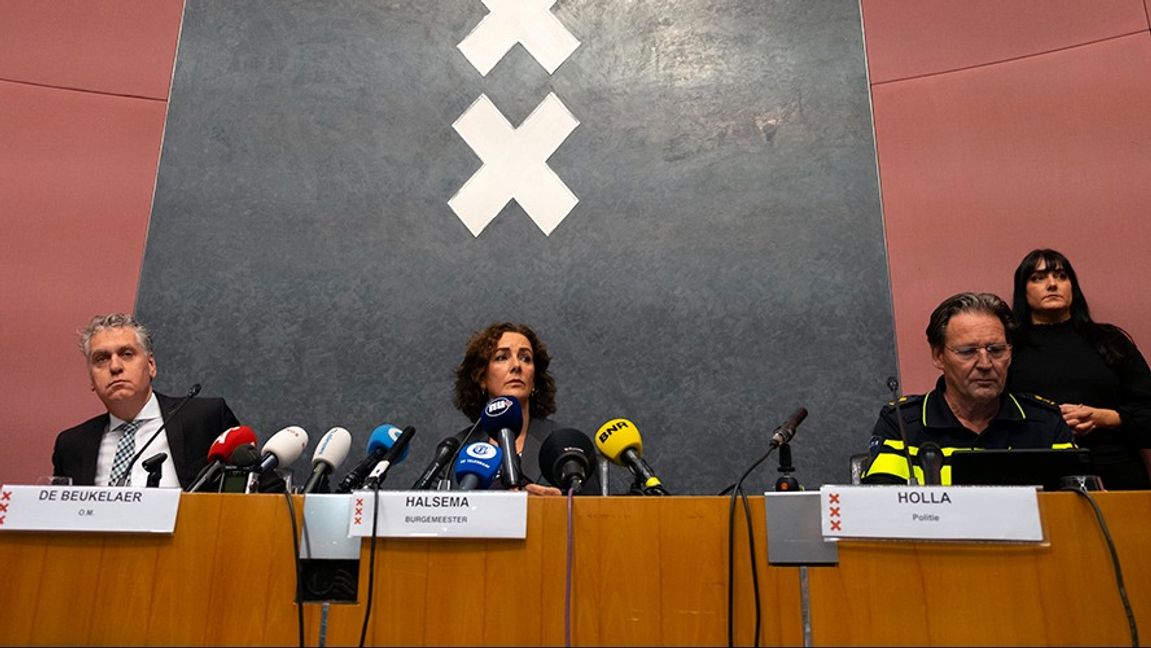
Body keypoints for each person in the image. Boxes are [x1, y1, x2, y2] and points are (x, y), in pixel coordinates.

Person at [863, 292, 1075, 484]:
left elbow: (1076, 512)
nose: (985, 363)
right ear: (939, 356)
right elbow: (879, 513)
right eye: (968, 351)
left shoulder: (1045, 423)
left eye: (996, 350)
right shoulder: (902, 423)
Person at [1006, 249, 1151, 490]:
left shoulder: (1110, 340)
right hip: (1036, 474)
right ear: (1023, 290)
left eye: (1061, 276)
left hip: (1115, 472)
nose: (1052, 284)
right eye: (1039, 278)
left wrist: (1105, 417)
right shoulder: (1008, 348)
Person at [52, 313, 241, 488]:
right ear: (91, 378)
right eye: (101, 359)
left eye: (126, 354)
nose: (115, 367)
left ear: (151, 365)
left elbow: (256, 490)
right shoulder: (71, 445)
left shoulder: (205, 419)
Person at [451, 322, 575, 495]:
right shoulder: (454, 450)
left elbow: (597, 512)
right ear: (481, 377)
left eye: (526, 358)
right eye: (502, 357)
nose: (517, 365)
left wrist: (556, 507)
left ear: (534, 382)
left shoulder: (565, 444)